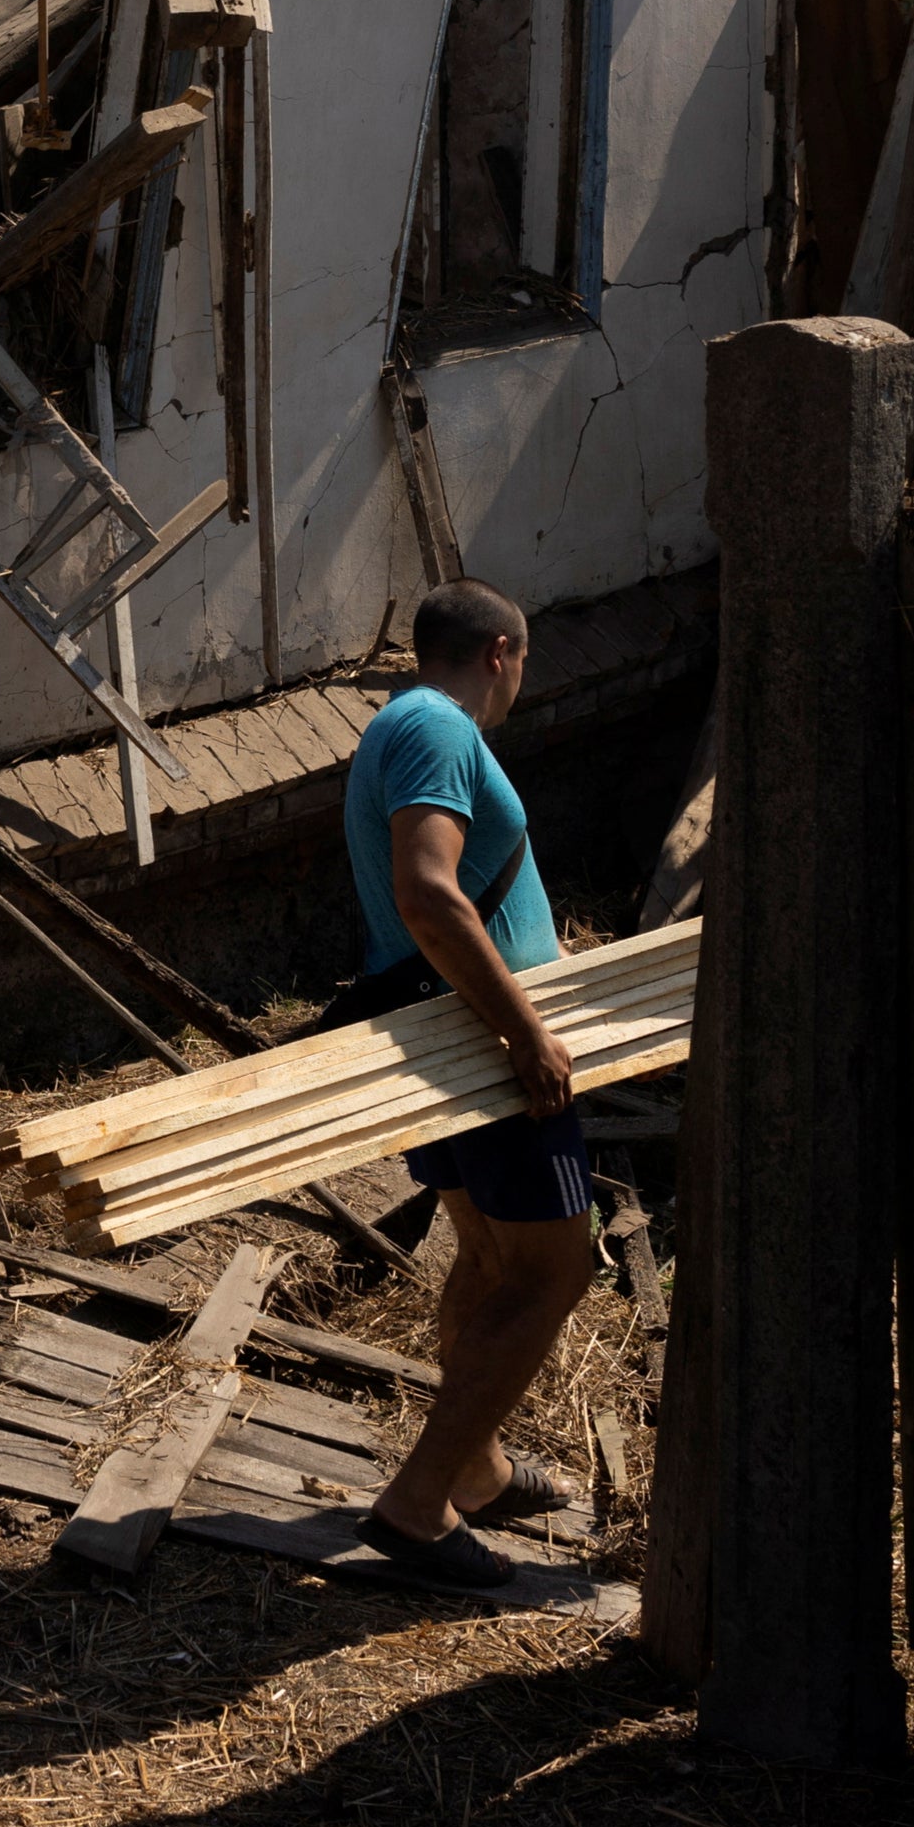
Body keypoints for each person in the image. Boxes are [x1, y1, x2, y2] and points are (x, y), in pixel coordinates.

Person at [337, 578, 592, 1591]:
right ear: (499, 652)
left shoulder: (405, 724)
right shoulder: (436, 726)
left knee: (488, 1255)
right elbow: (428, 890)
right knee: (551, 1272)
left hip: (452, 1032)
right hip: (483, 1044)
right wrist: (525, 1033)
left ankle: (474, 1470)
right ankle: (415, 1501)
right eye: (521, 663)